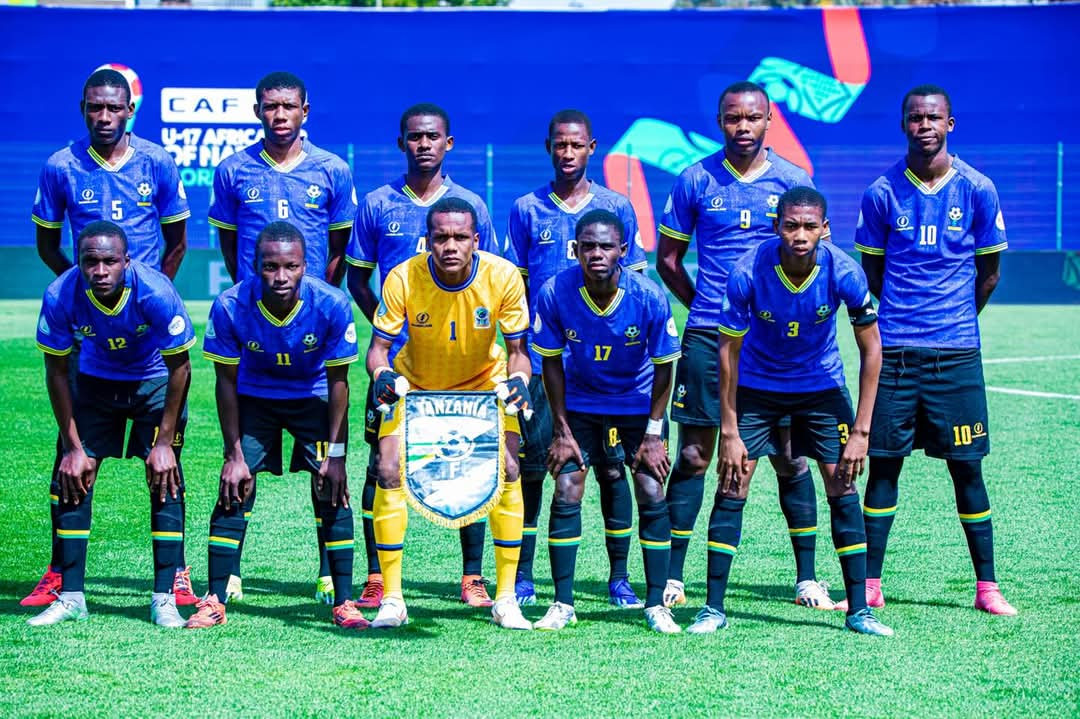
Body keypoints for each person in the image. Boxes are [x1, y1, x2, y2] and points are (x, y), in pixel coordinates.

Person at [655, 81, 832, 610]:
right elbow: (668, 260)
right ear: (720, 121)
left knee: (791, 458)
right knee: (694, 455)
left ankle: (807, 578)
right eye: (733, 118)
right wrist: (708, 307)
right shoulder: (695, 179)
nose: (743, 127)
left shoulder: (794, 180)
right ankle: (672, 576)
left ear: (769, 120)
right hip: (711, 336)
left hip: (776, 344)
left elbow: (818, 258)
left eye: (753, 117)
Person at [684, 187, 892, 636]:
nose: (800, 235)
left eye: (809, 226)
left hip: (821, 389)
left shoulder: (844, 271)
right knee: (733, 483)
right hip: (758, 388)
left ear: (825, 229)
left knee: (842, 485)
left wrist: (861, 431)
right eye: (791, 225)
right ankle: (713, 608)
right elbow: (727, 352)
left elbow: (873, 349)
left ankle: (859, 610)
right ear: (776, 226)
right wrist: (729, 431)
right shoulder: (748, 271)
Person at [26, 68, 194, 608]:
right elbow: (48, 245)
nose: (104, 116)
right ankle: (60, 573)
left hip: (145, 333)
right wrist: (83, 303)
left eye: (114, 107)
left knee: (165, 462)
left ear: (129, 110)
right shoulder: (61, 166)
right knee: (72, 457)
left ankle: (176, 572)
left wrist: (148, 299)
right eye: (95, 107)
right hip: (90, 341)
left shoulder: (156, 162)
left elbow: (176, 241)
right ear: (83, 109)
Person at [849, 84, 1016, 616]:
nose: (924, 125)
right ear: (904, 124)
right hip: (896, 355)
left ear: (950, 124)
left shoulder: (978, 188)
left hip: (957, 356)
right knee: (884, 469)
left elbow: (989, 274)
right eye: (915, 118)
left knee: (968, 470)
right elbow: (872, 273)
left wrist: (954, 319)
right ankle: (869, 583)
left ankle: (987, 587)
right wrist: (906, 317)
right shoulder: (882, 192)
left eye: (933, 118)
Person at [208, 71, 358, 603]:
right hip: (257, 334)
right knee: (238, 467)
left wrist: (315, 298)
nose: (279, 115)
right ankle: (225, 578)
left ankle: (329, 573)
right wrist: (255, 293)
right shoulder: (233, 170)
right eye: (270, 106)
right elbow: (231, 247)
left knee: (328, 473)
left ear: (304, 111)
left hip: (309, 334)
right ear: (257, 111)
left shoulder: (332, 169)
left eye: (288, 106)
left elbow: (338, 248)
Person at [345, 103, 499, 610]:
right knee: (381, 466)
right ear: (402, 143)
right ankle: (376, 576)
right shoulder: (377, 204)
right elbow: (357, 278)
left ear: (448, 143)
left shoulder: (470, 204)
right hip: (397, 367)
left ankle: (472, 576)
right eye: (415, 137)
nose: (424, 144)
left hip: (464, 364)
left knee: (472, 462)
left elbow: (491, 279)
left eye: (433, 136)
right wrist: (390, 330)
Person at [185, 221, 366, 630]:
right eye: (270, 267)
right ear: (255, 266)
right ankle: (214, 599)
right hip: (255, 396)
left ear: (305, 266)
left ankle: (344, 601)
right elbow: (225, 382)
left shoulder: (331, 303)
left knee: (332, 488)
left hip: (312, 396)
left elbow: (339, 383)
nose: (281, 277)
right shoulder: (230, 305)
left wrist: (337, 457)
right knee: (235, 485)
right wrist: (233, 455)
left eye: (291, 266)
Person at [365, 196, 532, 631]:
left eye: (460, 237)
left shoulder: (503, 275)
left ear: (476, 240)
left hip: (483, 389)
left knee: (510, 468)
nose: (451, 246)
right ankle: (393, 599)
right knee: (387, 469)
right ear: (428, 240)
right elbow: (378, 350)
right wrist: (382, 374)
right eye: (441, 238)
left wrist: (519, 380)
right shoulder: (403, 276)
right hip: (417, 389)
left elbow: (518, 352)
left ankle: (506, 599)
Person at [504, 110, 649, 609]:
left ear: (592, 148)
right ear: (549, 148)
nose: (568, 153)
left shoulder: (617, 206)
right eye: (560, 145)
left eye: (576, 145)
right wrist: (519, 351)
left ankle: (619, 578)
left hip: (603, 370)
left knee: (611, 470)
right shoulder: (526, 208)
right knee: (532, 469)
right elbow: (516, 287)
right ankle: (523, 575)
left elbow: (637, 283)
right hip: (543, 362)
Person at [27, 221, 195, 628]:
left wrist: (164, 444)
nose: (100, 271)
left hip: (153, 381)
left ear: (126, 261)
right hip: (96, 383)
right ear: (79, 262)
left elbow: (181, 368)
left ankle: (164, 598)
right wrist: (72, 448)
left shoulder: (155, 291)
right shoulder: (61, 294)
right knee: (73, 477)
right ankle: (71, 597)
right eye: (91, 262)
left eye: (109, 261)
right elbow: (56, 372)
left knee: (165, 479)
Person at [530, 209, 682, 633]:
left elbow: (665, 366)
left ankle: (656, 604)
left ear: (623, 250)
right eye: (588, 246)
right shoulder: (555, 291)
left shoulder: (648, 295)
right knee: (567, 487)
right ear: (575, 249)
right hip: (580, 402)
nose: (596, 254)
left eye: (606, 246)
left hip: (637, 403)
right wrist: (561, 430)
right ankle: (562, 603)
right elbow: (551, 363)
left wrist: (654, 433)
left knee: (651, 489)